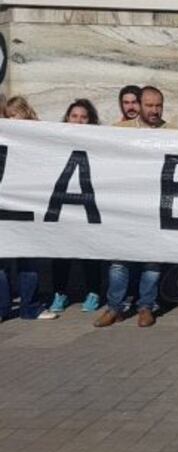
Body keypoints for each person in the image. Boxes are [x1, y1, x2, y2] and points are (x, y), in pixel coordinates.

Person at [97, 90, 170, 327]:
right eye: (149, 105)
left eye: (158, 105)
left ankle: (146, 307)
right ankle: (114, 308)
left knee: (152, 263)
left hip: (156, 210)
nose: (154, 110)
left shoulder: (175, 133)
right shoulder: (118, 131)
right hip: (125, 209)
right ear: (139, 105)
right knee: (119, 262)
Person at [0, 96, 58, 320]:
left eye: (16, 114)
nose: (13, 119)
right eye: (9, 115)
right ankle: (6, 308)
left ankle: (29, 306)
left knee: (29, 259)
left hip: (28, 206)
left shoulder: (36, 135)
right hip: (5, 205)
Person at [49, 99, 104, 313]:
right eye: (74, 116)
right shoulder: (55, 140)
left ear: (90, 120)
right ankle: (59, 293)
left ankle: (93, 292)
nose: (78, 121)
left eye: (83, 117)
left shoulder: (98, 141)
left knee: (89, 252)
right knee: (60, 253)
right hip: (62, 204)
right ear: (67, 118)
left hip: (89, 203)